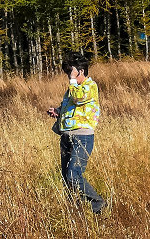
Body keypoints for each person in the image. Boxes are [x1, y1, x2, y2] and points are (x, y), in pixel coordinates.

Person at [47, 54, 105, 213]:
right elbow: (70, 106)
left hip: (82, 137)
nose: (68, 77)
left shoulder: (90, 86)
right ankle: (75, 210)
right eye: (68, 74)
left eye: (71, 73)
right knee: (66, 177)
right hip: (67, 136)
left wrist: (73, 80)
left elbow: (79, 98)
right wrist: (58, 111)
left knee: (74, 174)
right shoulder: (71, 89)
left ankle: (98, 204)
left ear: (81, 71)